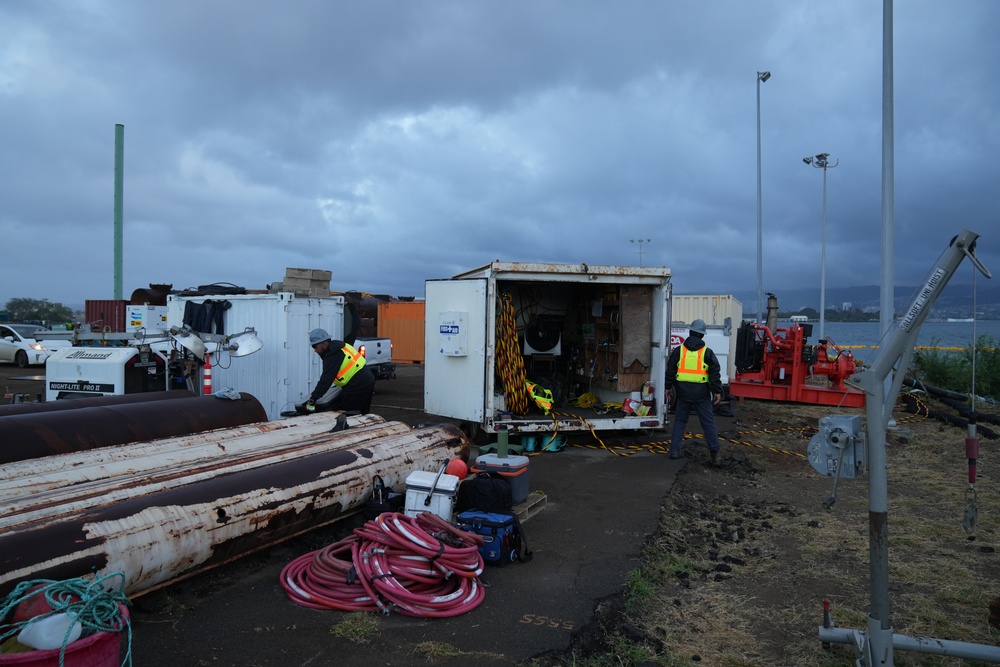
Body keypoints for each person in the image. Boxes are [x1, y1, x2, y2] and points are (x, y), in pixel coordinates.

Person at [665, 319, 723, 466]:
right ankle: (715, 455)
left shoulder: (679, 351)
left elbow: (670, 371)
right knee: (708, 423)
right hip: (701, 395)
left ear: (690, 332)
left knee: (680, 421)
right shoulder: (707, 353)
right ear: (702, 336)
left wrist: (667, 388)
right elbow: (715, 373)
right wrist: (717, 391)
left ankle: (674, 451)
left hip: (683, 393)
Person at [304, 328, 376, 415]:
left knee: (350, 414)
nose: (315, 350)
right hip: (365, 380)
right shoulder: (339, 347)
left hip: (358, 385)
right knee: (362, 413)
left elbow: (326, 380)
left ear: (323, 343)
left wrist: (313, 399)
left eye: (315, 346)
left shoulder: (332, 355)